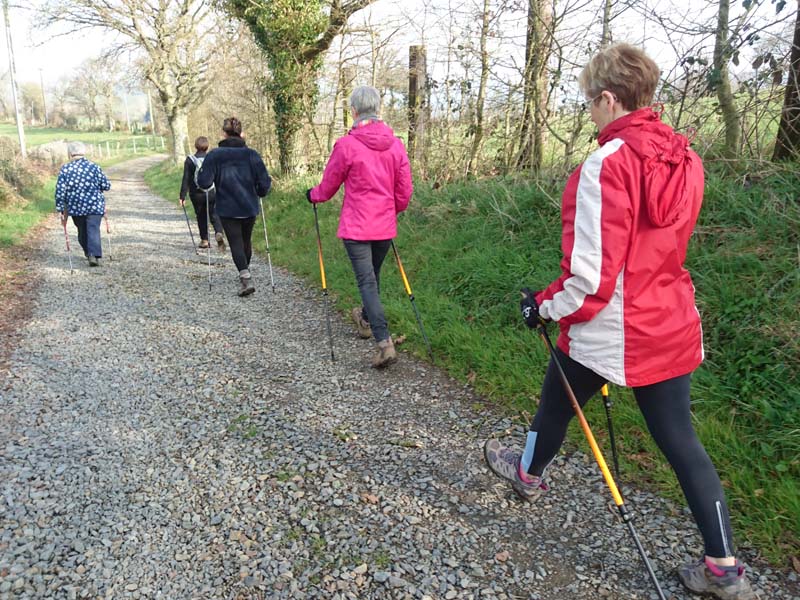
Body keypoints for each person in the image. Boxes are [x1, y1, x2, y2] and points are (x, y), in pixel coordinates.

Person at [483, 44, 756, 600]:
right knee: (681, 441)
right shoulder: (685, 158)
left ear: (609, 99)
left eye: (589, 101)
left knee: (555, 404)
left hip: (611, 331)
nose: (589, 112)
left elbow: (590, 280)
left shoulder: (606, 165)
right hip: (671, 321)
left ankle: (527, 474)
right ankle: (724, 567)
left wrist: (542, 307)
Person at [307, 85, 413, 368]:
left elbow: (328, 187)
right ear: (378, 109)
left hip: (357, 227)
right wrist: (391, 211)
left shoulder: (346, 145)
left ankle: (384, 342)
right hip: (383, 226)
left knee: (367, 281)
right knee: (372, 277)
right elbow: (404, 192)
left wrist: (312, 195)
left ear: (353, 111)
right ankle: (365, 319)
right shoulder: (396, 145)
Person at [196, 117, 271, 297]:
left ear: (224, 133)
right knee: (246, 241)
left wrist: (204, 177)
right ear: (241, 133)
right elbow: (264, 183)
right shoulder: (252, 154)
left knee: (236, 242)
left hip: (227, 207)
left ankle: (246, 277)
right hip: (249, 205)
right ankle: (245, 272)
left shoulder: (215, 155)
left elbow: (204, 183)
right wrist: (260, 191)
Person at [55, 141, 111, 267]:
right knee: (93, 229)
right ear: (84, 152)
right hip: (95, 205)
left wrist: (60, 208)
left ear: (70, 154)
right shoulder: (94, 167)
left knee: (82, 231)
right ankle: (93, 254)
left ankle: (89, 253)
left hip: (76, 207)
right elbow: (106, 185)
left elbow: (60, 190)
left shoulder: (66, 169)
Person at [179, 136, 225, 251]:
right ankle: (218, 232)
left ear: (196, 146)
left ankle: (204, 240)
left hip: (196, 194)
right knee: (214, 214)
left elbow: (186, 179)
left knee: (201, 216)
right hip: (212, 192)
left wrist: (182, 196)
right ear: (207, 147)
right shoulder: (213, 159)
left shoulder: (190, 160)